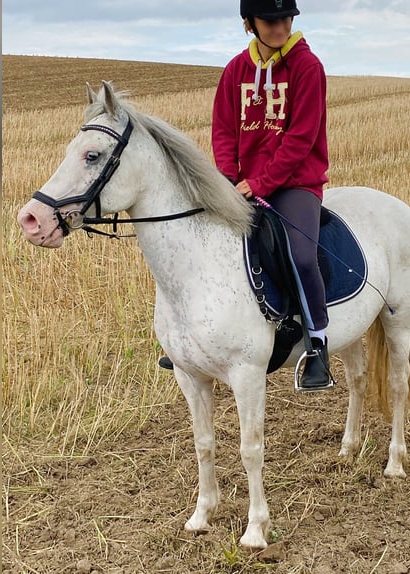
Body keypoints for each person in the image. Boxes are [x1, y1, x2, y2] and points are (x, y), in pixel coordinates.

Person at [160, 0, 331, 390]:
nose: (280, 26)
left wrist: (261, 183)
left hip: (296, 182)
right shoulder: (236, 70)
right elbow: (223, 130)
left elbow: (301, 138)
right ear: (248, 24)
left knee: (302, 255)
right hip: (240, 183)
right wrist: (228, 178)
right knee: (200, 239)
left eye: (286, 18)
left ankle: (317, 343)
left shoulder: (307, 67)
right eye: (270, 20)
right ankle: (188, 340)